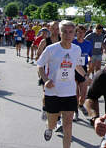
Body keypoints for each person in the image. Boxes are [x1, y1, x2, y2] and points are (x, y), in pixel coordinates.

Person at [37, 20, 91, 148]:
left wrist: (85, 76)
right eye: (64, 32)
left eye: (71, 32)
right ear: (60, 33)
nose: (68, 35)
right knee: (52, 122)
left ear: (74, 34)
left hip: (69, 92)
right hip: (53, 91)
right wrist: (46, 80)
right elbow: (40, 65)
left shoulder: (76, 49)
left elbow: (77, 65)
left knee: (68, 125)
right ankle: (49, 128)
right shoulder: (51, 49)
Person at [72, 25, 93, 121]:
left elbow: (89, 55)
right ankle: (75, 111)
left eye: (83, 32)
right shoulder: (72, 42)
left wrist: (89, 61)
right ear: (76, 33)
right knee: (75, 93)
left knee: (83, 94)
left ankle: (80, 105)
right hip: (73, 69)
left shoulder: (88, 43)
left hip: (83, 68)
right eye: (79, 32)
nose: (81, 34)